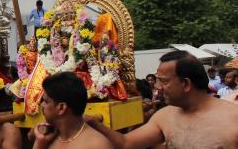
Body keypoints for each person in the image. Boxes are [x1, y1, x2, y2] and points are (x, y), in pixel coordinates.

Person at [87, 50, 238, 148]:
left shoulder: (233, 117)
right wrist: (93, 122)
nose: (158, 87)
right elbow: (125, 143)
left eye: (164, 81)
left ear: (186, 83)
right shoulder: (165, 116)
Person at [32, 72, 112, 149]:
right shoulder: (46, 138)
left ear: (61, 108)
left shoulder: (97, 145)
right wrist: (39, 144)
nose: (42, 105)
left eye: (46, 101)